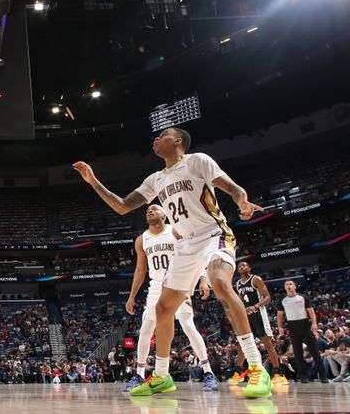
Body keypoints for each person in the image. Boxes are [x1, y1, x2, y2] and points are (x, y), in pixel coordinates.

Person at [73, 127, 272, 399]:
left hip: (215, 235)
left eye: (162, 135)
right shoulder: (155, 179)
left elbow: (233, 189)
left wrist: (243, 202)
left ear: (178, 141)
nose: (155, 138)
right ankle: (163, 375)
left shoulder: (197, 160)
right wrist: (94, 182)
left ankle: (257, 368)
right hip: (186, 245)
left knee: (219, 282)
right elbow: (121, 206)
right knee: (163, 308)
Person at [123, 205, 218, 392]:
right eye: (148, 210)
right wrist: (131, 296)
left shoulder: (175, 230)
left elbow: (195, 254)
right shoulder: (142, 239)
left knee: (188, 326)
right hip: (156, 286)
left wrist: (203, 278)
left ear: (165, 214)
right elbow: (141, 270)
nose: (150, 211)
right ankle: (139, 375)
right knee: (145, 330)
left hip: (178, 282)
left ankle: (208, 372)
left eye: (155, 209)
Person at [228, 262, 287, 385]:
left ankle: (278, 373)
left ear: (249, 268)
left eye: (244, 265)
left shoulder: (256, 279)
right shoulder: (238, 283)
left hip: (258, 314)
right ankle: (238, 373)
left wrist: (255, 306)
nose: (242, 267)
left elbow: (267, 297)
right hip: (246, 315)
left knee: (267, 344)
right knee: (242, 344)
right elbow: (239, 300)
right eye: (239, 266)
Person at [276, 280, 328, 383]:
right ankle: (303, 377)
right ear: (285, 287)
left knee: (315, 352)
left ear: (295, 286)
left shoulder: (302, 297)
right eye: (286, 284)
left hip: (305, 325)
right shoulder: (282, 300)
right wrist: (280, 327)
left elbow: (311, 311)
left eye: (290, 284)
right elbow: (280, 315)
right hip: (292, 326)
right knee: (298, 353)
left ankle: (323, 376)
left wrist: (314, 323)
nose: (288, 286)